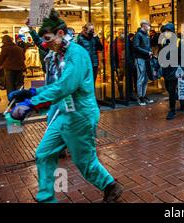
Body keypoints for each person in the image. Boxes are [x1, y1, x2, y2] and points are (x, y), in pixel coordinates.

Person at [8, 11, 122, 203]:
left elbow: (66, 86)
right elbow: (58, 85)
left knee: (84, 161)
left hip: (80, 115)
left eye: (47, 38)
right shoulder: (60, 54)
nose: (45, 44)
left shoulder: (76, 54)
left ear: (61, 34)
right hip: (64, 112)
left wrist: (31, 104)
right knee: (43, 153)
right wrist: (31, 93)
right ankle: (46, 197)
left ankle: (110, 185)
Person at [160, 23, 184, 120]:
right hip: (166, 70)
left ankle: (172, 110)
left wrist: (182, 70)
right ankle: (181, 99)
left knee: (171, 90)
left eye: (168, 31)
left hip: (176, 70)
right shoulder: (164, 42)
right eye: (165, 31)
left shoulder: (179, 42)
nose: (166, 33)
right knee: (168, 88)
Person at [132, 19, 154, 106]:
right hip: (140, 59)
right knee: (140, 78)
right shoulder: (138, 35)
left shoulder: (146, 35)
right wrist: (147, 52)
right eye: (148, 24)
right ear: (143, 25)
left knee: (145, 78)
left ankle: (144, 96)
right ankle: (140, 97)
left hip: (146, 58)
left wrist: (150, 52)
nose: (149, 26)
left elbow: (148, 46)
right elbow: (136, 47)